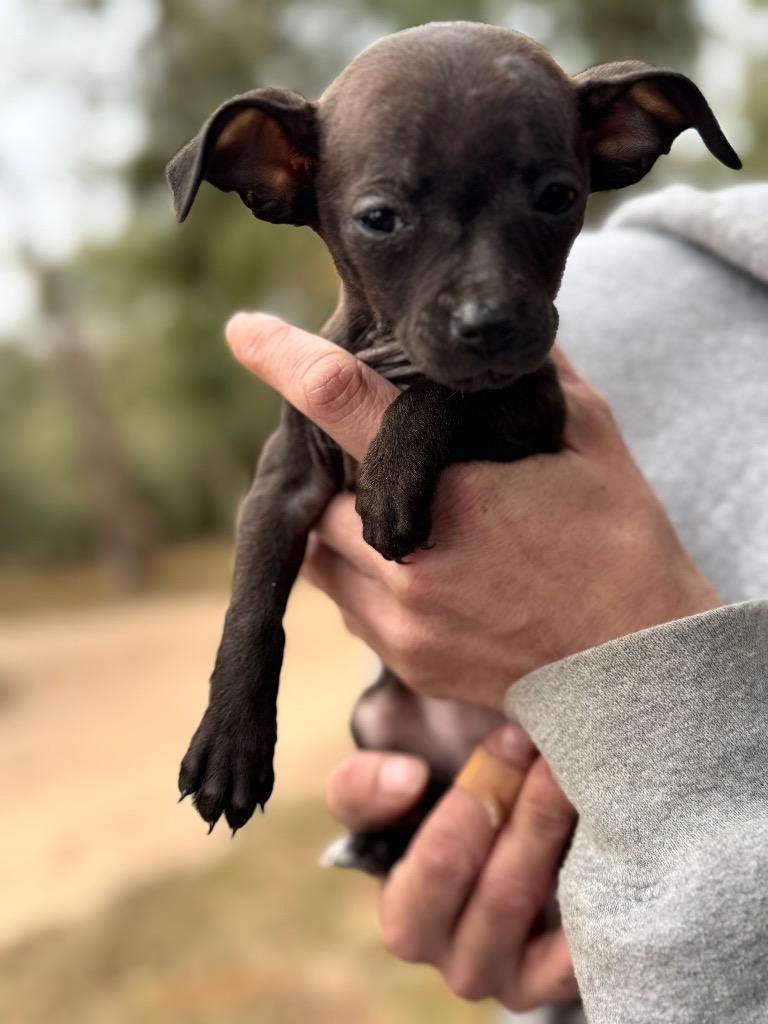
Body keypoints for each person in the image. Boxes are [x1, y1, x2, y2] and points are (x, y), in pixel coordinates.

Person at [225, 183, 768, 1024]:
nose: (484, 289)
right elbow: (433, 609)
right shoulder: (618, 285)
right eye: (383, 219)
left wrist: (658, 710)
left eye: (548, 200)